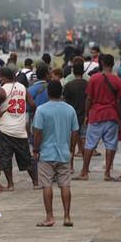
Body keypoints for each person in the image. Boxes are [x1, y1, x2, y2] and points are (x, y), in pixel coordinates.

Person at [32, 80, 79, 227]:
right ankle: (67, 216)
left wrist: (36, 149)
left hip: (46, 153)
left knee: (47, 185)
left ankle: (50, 217)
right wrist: (71, 149)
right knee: (65, 185)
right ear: (61, 92)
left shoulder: (41, 110)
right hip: (64, 153)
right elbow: (75, 131)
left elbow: (38, 131)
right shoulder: (70, 109)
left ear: (48, 93)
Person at [74, 54, 121, 182]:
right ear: (113, 64)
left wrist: (86, 114)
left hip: (96, 114)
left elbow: (89, 98)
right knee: (110, 144)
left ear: (102, 63)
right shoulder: (117, 81)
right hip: (111, 115)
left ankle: (84, 172)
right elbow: (120, 101)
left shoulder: (94, 79)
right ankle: (107, 173)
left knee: (90, 144)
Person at [0, 67, 37, 190]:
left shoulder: (2, 90)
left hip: (5, 129)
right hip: (20, 130)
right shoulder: (23, 88)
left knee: (6, 158)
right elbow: (32, 105)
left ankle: (10, 184)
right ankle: (35, 182)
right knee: (26, 157)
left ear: (3, 77)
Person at [63, 60, 88, 170]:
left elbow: (65, 101)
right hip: (84, 116)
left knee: (71, 143)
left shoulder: (68, 85)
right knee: (84, 141)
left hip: (71, 117)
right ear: (83, 72)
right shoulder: (88, 84)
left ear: (73, 71)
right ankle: (85, 167)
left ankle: (71, 166)